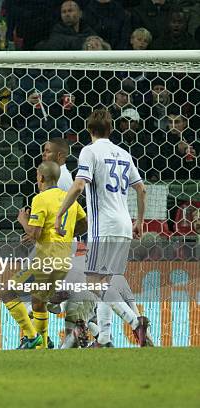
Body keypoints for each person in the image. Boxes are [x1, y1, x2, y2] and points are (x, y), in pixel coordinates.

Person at [55, 109, 150, 347]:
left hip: (104, 226)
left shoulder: (89, 151)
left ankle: (135, 323)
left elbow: (78, 186)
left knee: (94, 284)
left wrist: (60, 213)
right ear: (111, 129)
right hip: (124, 224)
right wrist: (139, 221)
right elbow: (142, 189)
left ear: (89, 130)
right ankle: (105, 339)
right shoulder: (124, 153)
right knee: (104, 283)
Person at [2, 161, 87, 349]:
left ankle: (32, 337)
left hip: (46, 258)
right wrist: (65, 233)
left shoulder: (40, 199)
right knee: (38, 303)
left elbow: (36, 234)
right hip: (64, 260)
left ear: (40, 177)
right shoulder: (68, 198)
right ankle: (41, 348)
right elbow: (84, 224)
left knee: (7, 293)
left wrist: (24, 222)